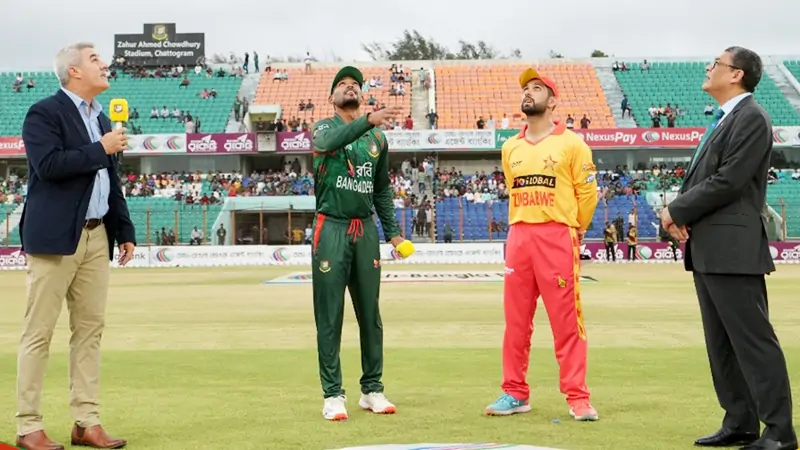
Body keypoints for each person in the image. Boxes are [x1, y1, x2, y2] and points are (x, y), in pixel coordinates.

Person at [661, 47, 796, 450]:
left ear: (736, 74)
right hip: (710, 246)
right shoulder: (725, 119)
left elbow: (730, 180)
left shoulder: (751, 117)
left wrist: (675, 209)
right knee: (721, 344)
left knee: (753, 341)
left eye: (715, 64)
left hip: (733, 248)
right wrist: (682, 215)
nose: (708, 68)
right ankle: (739, 420)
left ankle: (779, 431)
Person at [15, 42, 135, 450]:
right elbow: (47, 166)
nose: (104, 64)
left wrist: (126, 230)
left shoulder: (102, 118)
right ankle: (28, 426)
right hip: (53, 239)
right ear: (74, 71)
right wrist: (100, 149)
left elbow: (109, 182)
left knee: (89, 332)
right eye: (95, 59)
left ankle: (86, 421)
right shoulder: (43, 113)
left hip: (97, 236)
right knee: (39, 333)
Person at [485, 69, 600, 421]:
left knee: (566, 321)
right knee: (516, 322)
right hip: (519, 234)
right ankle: (514, 392)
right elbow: (512, 187)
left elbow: (588, 193)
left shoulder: (572, 144)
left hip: (557, 235)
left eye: (537, 88)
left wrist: (575, 228)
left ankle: (578, 397)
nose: (529, 93)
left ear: (552, 101)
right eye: (525, 89)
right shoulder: (511, 147)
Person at [309, 66, 408, 421]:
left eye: (356, 85)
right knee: (330, 315)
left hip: (365, 231)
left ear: (363, 95)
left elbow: (381, 189)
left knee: (370, 314)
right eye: (343, 85)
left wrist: (393, 231)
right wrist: (368, 120)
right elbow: (327, 144)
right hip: (331, 227)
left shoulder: (377, 140)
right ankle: (333, 395)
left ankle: (372, 389)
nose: (350, 88)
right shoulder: (323, 127)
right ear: (332, 97)